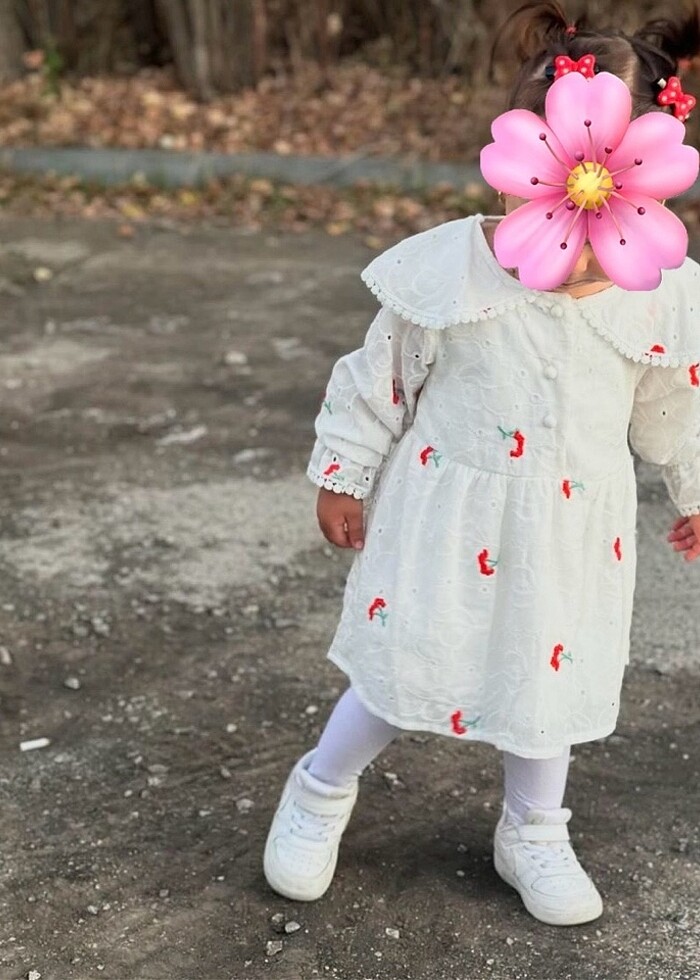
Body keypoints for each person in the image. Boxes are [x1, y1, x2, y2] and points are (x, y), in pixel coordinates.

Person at [263, 1, 700, 926]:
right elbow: (379, 376)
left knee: (549, 684)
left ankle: (534, 829)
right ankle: (321, 788)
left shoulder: (655, 294)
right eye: (554, 198)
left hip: (569, 535)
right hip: (443, 521)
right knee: (400, 667)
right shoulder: (450, 273)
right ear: (517, 169)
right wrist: (342, 471)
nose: (581, 233)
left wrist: (695, 490)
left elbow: (676, 407)